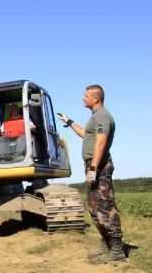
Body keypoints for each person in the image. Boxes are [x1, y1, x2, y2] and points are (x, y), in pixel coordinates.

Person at [57, 84, 126, 263]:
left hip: (99, 167)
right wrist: (69, 122)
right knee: (94, 208)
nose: (83, 98)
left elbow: (101, 143)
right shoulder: (95, 117)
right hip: (92, 166)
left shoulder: (102, 116)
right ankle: (107, 244)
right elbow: (85, 134)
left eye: (86, 95)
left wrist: (94, 168)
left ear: (96, 98)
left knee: (105, 206)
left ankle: (117, 250)